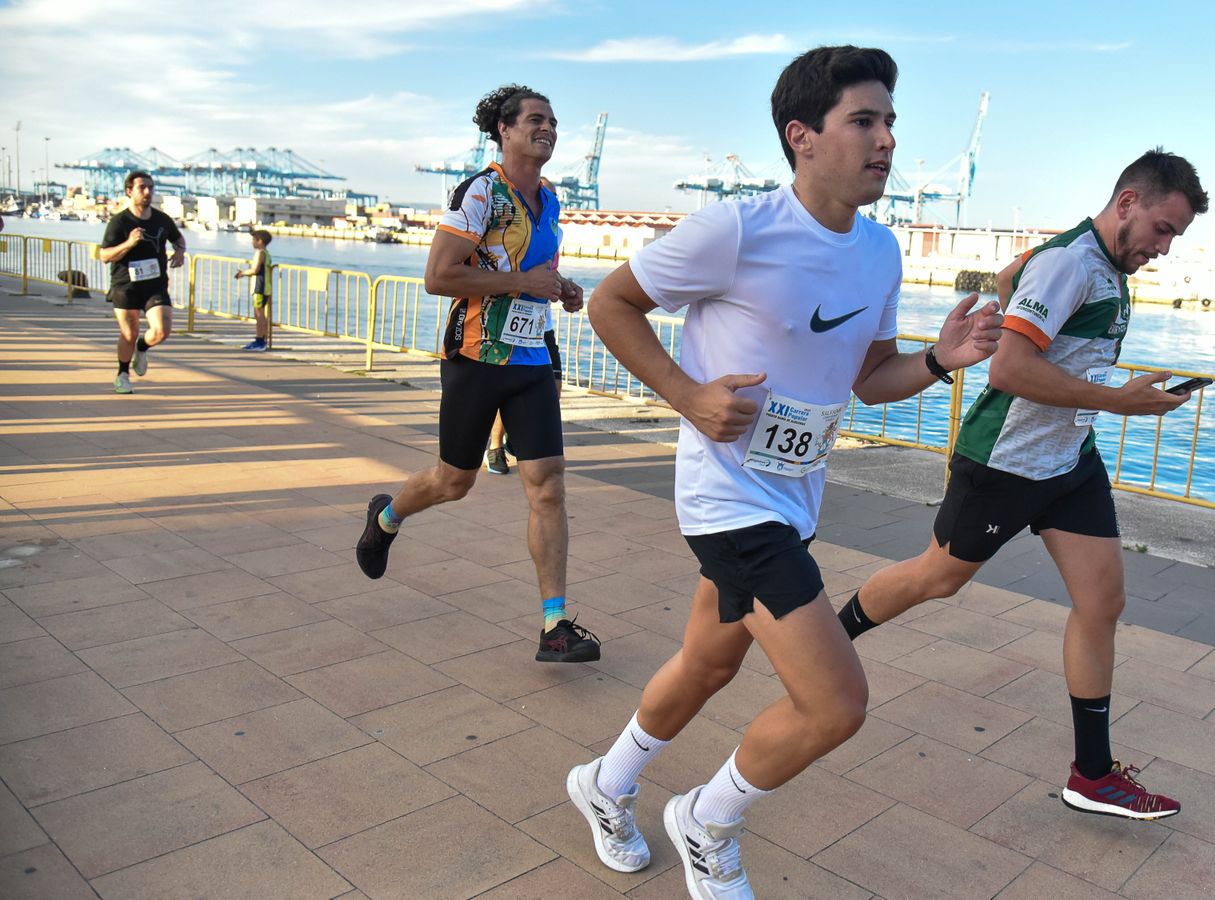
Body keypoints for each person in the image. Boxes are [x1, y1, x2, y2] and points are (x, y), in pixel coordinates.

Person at [567, 46, 1002, 899]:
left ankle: (606, 783)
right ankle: (708, 817)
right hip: (727, 501)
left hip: (793, 499)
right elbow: (610, 303)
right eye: (864, 122)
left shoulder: (879, 253)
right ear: (802, 136)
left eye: (890, 124)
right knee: (835, 703)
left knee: (707, 665)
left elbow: (869, 381)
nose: (885, 142)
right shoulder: (736, 229)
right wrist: (688, 395)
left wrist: (940, 360)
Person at [836, 148, 1210, 822]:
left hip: (1068, 462)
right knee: (936, 578)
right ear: (1128, 201)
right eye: (1162, 228)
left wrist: (1026, 314)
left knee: (1102, 601)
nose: (1164, 246)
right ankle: (827, 642)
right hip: (1005, 460)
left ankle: (1092, 776)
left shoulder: (1092, 261)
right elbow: (1008, 370)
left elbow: (1011, 279)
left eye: (1175, 236)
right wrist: (1117, 399)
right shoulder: (1072, 262)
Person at [353, 84, 598, 662]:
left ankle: (554, 625)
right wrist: (521, 282)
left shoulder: (552, 200)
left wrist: (558, 289)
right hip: (475, 358)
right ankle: (386, 517)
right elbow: (439, 276)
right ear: (505, 130)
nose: (549, 128)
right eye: (536, 119)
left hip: (532, 357)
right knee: (453, 481)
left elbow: (533, 271)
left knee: (548, 483)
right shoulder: (480, 192)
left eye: (554, 120)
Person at [99, 171, 185, 394]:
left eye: (150, 187)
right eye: (142, 188)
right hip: (125, 285)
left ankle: (142, 347)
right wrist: (128, 243)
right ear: (130, 191)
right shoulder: (120, 221)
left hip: (155, 284)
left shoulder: (162, 219)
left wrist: (180, 251)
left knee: (162, 331)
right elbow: (105, 255)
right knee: (129, 332)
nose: (147, 192)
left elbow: (178, 238)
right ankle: (122, 374)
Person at [486, 327, 562, 474]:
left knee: (554, 390)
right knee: (506, 391)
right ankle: (496, 447)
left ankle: (514, 433)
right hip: (512, 332)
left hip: (542, 330)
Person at [234, 229, 274, 351]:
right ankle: (261, 339)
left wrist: (242, 273)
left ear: (260, 241)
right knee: (261, 314)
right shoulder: (266, 253)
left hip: (259, 287)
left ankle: (260, 341)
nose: (252, 243)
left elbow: (255, 270)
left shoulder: (260, 253)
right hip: (265, 286)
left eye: (253, 240)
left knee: (258, 315)